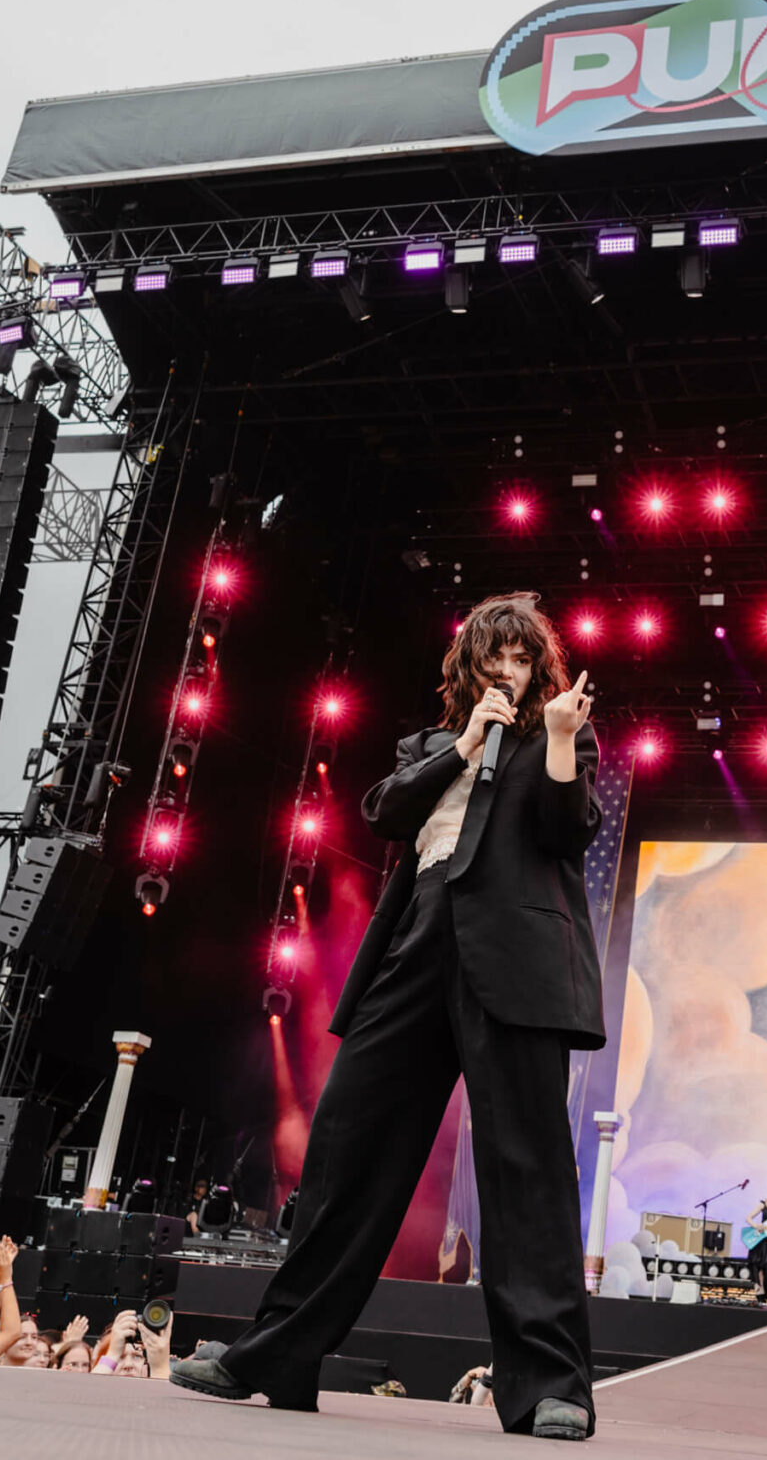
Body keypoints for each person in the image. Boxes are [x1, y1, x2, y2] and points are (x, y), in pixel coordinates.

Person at [172, 595, 606, 1441]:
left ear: (540, 667)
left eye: (521, 659)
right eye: (494, 659)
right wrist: (469, 744)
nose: (508, 673)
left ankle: (552, 1384)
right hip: (414, 954)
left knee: (525, 1168)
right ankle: (276, 1354)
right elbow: (383, 811)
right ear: (468, 670)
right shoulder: (432, 746)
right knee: (346, 1154)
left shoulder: (563, 736)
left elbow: (568, 829)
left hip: (515, 966)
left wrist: (554, 736)